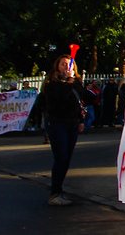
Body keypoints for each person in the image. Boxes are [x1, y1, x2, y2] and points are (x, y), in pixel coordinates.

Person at [39, 54, 89, 206]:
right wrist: (68, 83)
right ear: (57, 66)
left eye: (69, 65)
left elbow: (80, 100)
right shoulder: (51, 85)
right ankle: (55, 193)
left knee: (66, 158)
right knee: (61, 157)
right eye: (63, 64)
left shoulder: (75, 83)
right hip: (57, 123)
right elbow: (57, 102)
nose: (66, 68)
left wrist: (80, 120)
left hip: (71, 124)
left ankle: (58, 190)